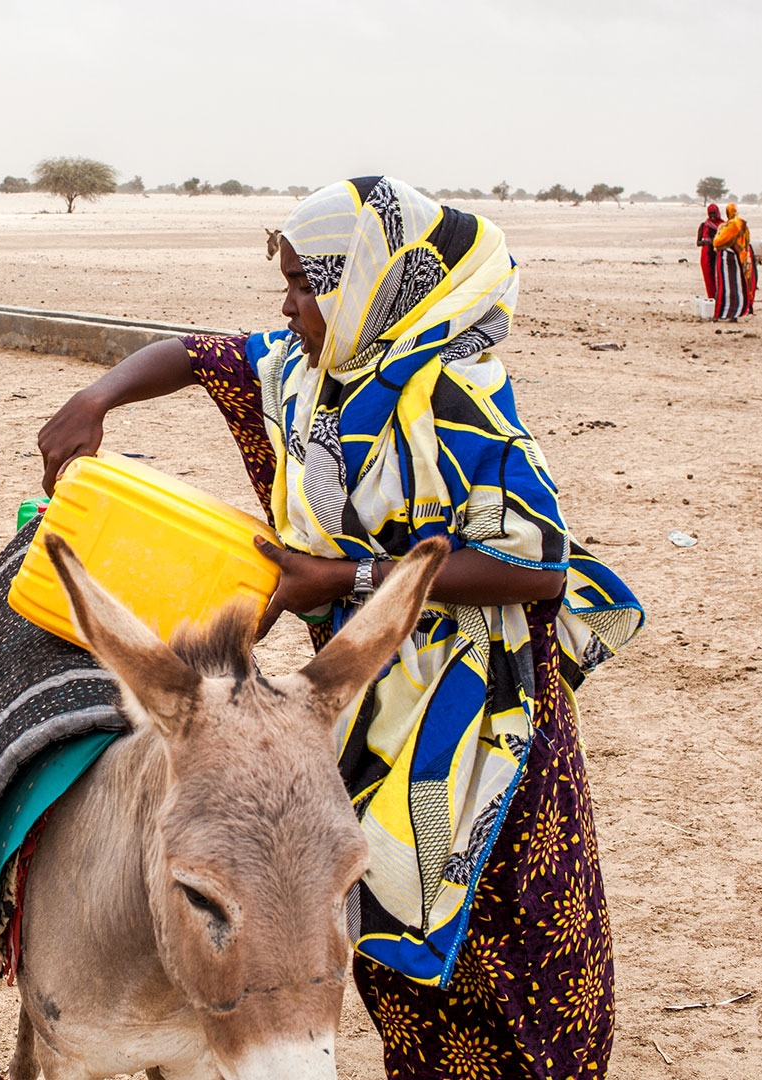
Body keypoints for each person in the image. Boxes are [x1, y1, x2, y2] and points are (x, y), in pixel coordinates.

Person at [38, 177, 643, 1080]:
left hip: (477, 715)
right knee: (385, 925)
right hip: (370, 693)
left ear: (368, 287)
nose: (288, 308)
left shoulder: (456, 400)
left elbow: (537, 563)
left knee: (508, 940)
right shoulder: (316, 374)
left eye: (303, 285)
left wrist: (342, 577)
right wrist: (98, 399)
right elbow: (201, 355)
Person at [711, 203, 754, 321]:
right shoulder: (742, 225)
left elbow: (717, 242)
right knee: (737, 286)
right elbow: (745, 242)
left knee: (724, 286)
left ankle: (721, 313)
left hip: (726, 258)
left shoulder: (729, 226)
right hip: (739, 258)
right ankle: (735, 314)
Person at [696, 203, 724, 300]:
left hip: (719, 255)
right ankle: (712, 299)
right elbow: (698, 243)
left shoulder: (723, 225)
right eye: (710, 213)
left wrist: (714, 242)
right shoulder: (704, 225)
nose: (712, 216)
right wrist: (704, 242)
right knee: (709, 279)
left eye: (714, 213)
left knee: (720, 279)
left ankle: (720, 300)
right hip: (707, 256)